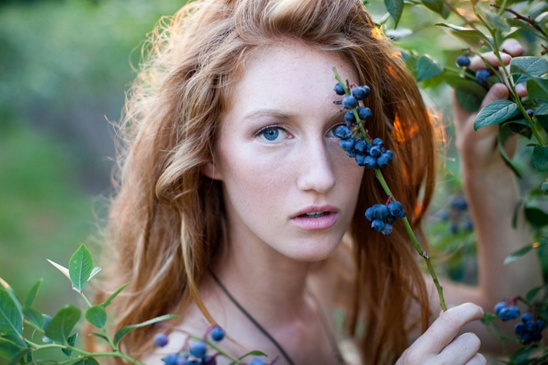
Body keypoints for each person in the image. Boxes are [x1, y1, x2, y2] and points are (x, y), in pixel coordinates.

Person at [96, 0, 542, 363]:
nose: (321, 176)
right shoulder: (194, 356)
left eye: (341, 129)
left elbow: (513, 329)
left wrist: (486, 167)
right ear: (208, 154)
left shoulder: (332, 274)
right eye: (272, 132)